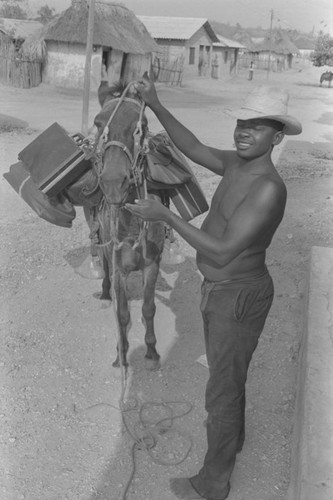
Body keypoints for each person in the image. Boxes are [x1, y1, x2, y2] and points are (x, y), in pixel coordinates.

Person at [126, 76, 302, 500]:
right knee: (229, 379)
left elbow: (223, 251)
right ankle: (233, 440)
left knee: (222, 390)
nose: (245, 130)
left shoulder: (267, 188)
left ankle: (213, 482)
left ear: (277, 137)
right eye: (242, 121)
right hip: (222, 292)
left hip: (238, 294)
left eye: (258, 126)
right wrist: (155, 102)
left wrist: (165, 217)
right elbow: (194, 148)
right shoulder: (239, 164)